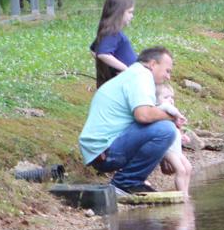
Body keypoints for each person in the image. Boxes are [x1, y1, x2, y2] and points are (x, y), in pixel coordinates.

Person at [78, 46, 181, 196]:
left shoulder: (134, 74)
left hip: (99, 150)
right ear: (153, 64)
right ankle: (126, 182)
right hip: (104, 151)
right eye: (167, 70)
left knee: (163, 126)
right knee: (166, 129)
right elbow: (143, 115)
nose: (168, 76)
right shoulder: (142, 76)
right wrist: (172, 117)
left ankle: (131, 181)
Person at [92, 0, 137, 88]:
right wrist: (126, 69)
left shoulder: (108, 31)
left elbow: (94, 50)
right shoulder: (112, 32)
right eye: (129, 12)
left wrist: (108, 68)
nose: (132, 16)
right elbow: (103, 54)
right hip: (121, 83)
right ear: (118, 12)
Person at [155, 83, 192, 196]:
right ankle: (181, 194)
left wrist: (181, 137)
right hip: (168, 149)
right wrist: (178, 114)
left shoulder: (170, 116)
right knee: (180, 170)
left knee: (188, 168)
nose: (170, 100)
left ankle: (185, 191)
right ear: (156, 100)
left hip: (176, 149)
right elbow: (168, 107)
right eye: (166, 97)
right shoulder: (160, 109)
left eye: (172, 97)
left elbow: (175, 131)